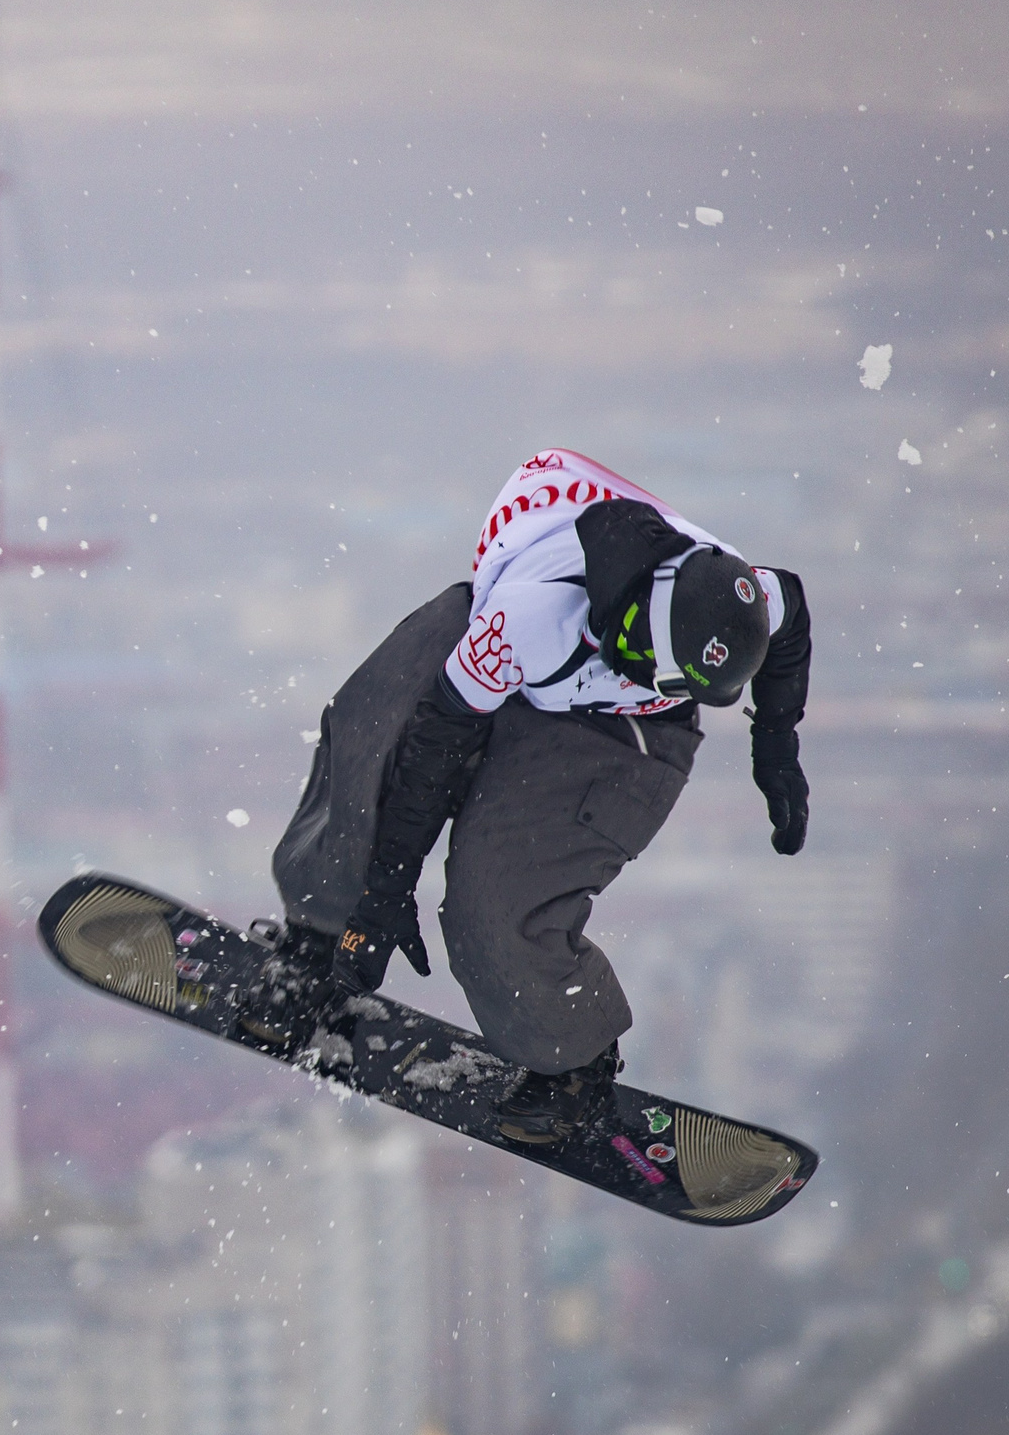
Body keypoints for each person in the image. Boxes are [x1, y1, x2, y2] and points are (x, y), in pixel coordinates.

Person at [254, 449, 812, 1144]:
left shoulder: (732, 588)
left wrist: (775, 746)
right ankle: (319, 940)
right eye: (636, 650)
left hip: (621, 738)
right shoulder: (527, 617)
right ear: (636, 597)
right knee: (375, 734)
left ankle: (571, 1056)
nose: (635, 672)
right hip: (517, 658)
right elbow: (433, 750)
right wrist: (383, 895)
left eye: (666, 678)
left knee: (494, 900)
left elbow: (790, 614)